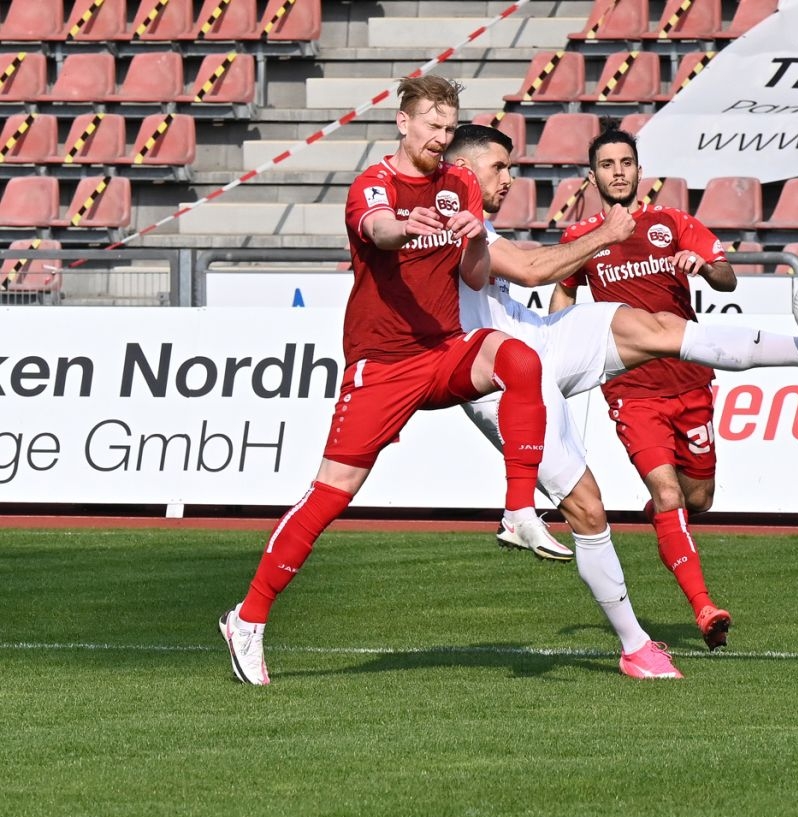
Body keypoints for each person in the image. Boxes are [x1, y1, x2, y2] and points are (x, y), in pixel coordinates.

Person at [457, 123, 798, 651]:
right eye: (607, 165)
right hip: (571, 384)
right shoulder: (534, 232)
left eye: (626, 163)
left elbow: (726, 277)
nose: (618, 173)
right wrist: (597, 254)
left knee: (690, 471)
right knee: (626, 501)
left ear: (640, 170)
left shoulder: (668, 222)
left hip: (639, 368)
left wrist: (700, 267)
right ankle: (665, 628)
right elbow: (542, 281)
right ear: (593, 176)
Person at [217, 75, 558, 686]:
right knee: (330, 496)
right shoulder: (372, 184)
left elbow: (474, 276)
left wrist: (475, 241)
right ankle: (248, 617)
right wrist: (407, 224)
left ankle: (518, 510)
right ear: (403, 123)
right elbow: (378, 229)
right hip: (380, 365)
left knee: (521, 360)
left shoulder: (461, 184)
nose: (441, 137)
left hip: (443, 350)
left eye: (448, 127)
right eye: (431, 125)